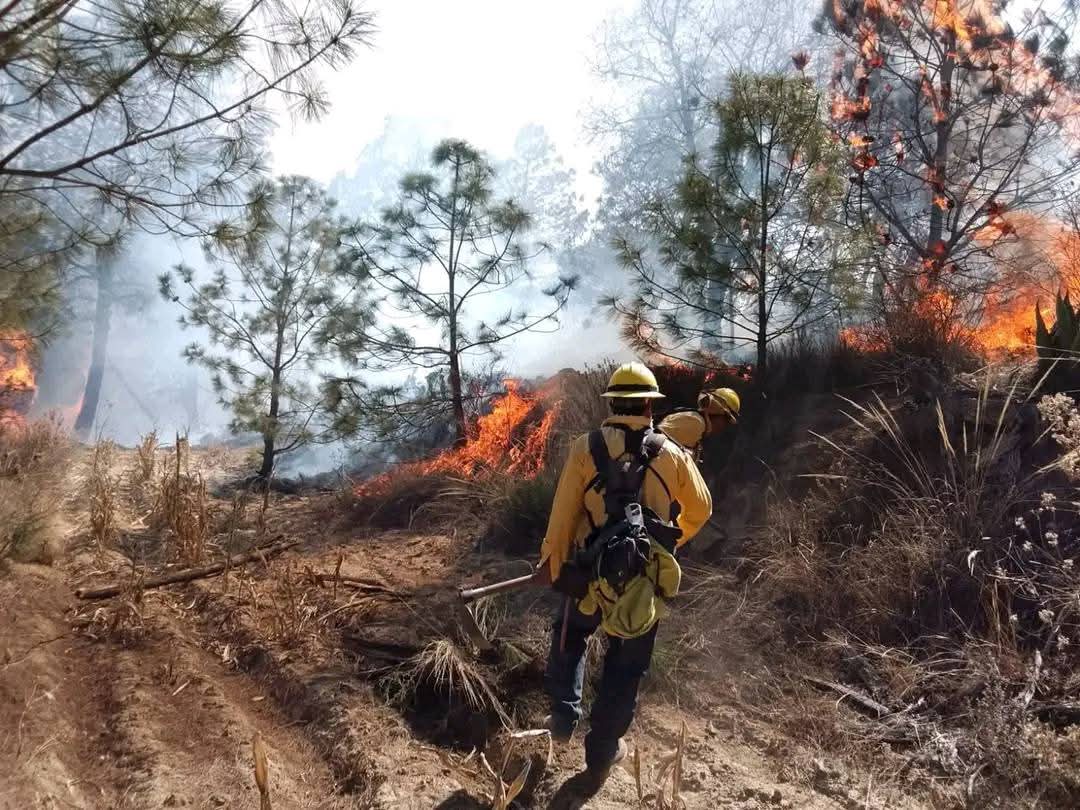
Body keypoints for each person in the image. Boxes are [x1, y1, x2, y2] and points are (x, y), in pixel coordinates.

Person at [538, 362, 713, 782]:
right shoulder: (672, 452)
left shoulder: (586, 447)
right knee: (625, 667)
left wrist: (552, 562)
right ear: (650, 405)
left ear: (612, 402)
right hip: (642, 586)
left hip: (590, 574)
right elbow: (702, 508)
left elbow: (563, 516)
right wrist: (671, 544)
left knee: (571, 632)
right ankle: (601, 754)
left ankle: (562, 717)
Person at [658, 386, 741, 462]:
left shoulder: (695, 422)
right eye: (726, 419)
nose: (724, 425)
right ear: (716, 410)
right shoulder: (696, 423)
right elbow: (659, 452)